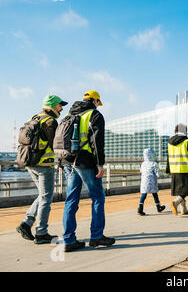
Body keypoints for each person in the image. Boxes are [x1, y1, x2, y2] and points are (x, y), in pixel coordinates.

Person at [61, 90, 115, 252]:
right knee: (98, 197)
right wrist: (100, 164)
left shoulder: (69, 115)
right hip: (85, 162)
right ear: (95, 101)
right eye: (99, 102)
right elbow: (96, 142)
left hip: (67, 161)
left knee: (71, 200)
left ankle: (69, 240)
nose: (99, 105)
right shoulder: (94, 115)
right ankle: (96, 236)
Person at [16, 95, 67, 244]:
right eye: (59, 105)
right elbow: (55, 145)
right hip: (44, 166)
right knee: (46, 198)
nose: (61, 108)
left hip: (30, 163)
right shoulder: (50, 121)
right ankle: (41, 232)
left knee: (43, 196)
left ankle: (26, 224)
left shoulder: (34, 118)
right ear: (52, 106)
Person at [166, 124, 188, 215]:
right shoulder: (185, 141)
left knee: (178, 190)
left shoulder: (169, 142)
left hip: (174, 169)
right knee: (185, 190)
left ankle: (183, 209)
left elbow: (168, 157)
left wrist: (168, 170)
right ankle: (175, 203)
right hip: (184, 169)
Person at [137, 148, 166, 216]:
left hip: (144, 182)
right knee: (155, 194)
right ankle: (158, 207)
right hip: (152, 182)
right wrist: (166, 175)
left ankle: (140, 209)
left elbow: (141, 171)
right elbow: (158, 174)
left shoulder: (143, 164)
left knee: (144, 195)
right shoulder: (154, 164)